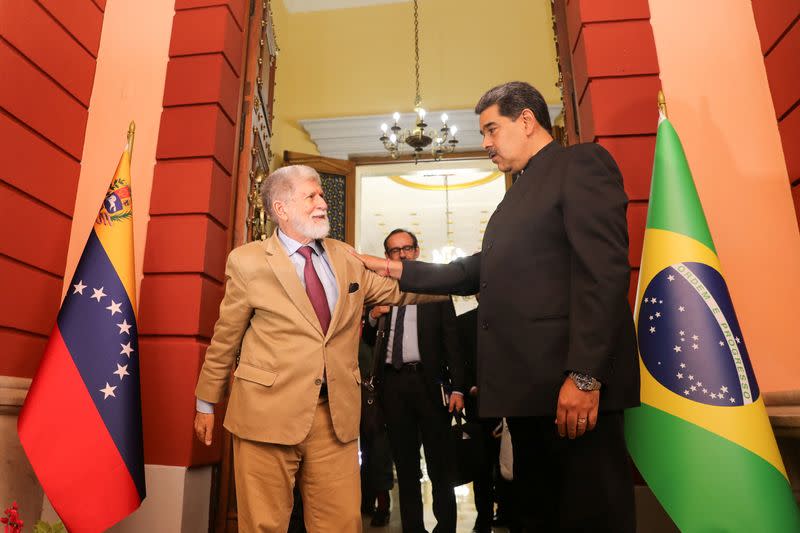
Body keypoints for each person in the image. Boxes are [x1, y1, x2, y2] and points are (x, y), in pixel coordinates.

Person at [354, 81, 640, 532]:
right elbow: (477, 270)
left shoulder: (578, 165)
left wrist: (585, 374)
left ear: (526, 120)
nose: (485, 142)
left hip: (572, 389)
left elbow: (602, 274)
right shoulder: (518, 192)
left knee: (589, 516)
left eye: (491, 129)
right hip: (530, 394)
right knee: (537, 517)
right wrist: (392, 270)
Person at [193, 165, 442, 533]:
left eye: (321, 194)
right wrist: (205, 403)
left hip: (334, 418)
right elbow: (225, 337)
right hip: (266, 414)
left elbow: (399, 291)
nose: (323, 203)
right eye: (311, 196)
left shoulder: (344, 256)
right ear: (282, 209)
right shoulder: (247, 261)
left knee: (342, 524)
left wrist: (470, 279)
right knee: (264, 525)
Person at [364, 229, 465, 533]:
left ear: (417, 251)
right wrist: (371, 318)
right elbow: (366, 344)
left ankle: (445, 527)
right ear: (387, 257)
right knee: (406, 468)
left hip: (429, 384)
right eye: (395, 250)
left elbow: (453, 341)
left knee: (439, 466)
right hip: (392, 386)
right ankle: (413, 529)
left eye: (407, 248)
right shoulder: (379, 289)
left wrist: (458, 386)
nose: (403, 254)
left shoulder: (435, 291)